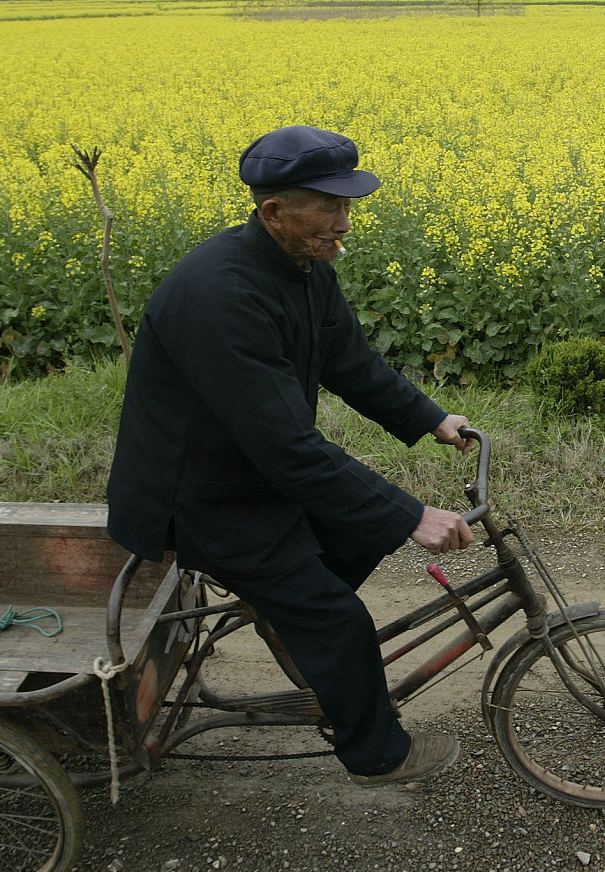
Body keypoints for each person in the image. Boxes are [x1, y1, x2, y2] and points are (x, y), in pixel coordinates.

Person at [107, 125, 474, 787]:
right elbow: (288, 449)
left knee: (360, 533)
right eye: (329, 207)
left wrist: (430, 418)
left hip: (247, 472)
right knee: (336, 620)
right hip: (197, 498)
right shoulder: (220, 297)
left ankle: (286, 617)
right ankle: (378, 756)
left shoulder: (300, 267)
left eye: (348, 205)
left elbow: (350, 363)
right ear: (274, 212)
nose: (345, 223)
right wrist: (412, 514)